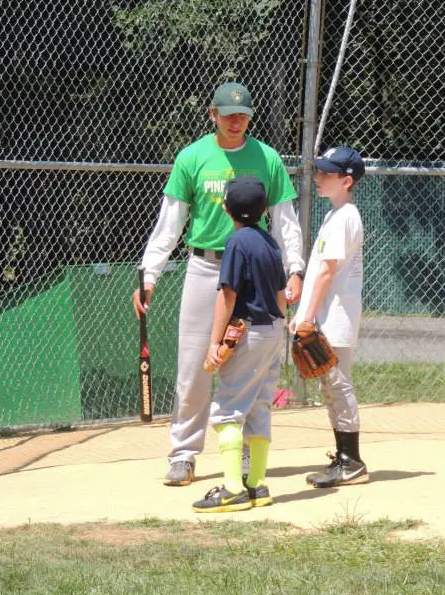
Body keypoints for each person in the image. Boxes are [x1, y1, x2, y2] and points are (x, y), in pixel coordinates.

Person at [132, 82, 305, 486]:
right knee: (194, 366)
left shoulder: (268, 158)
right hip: (206, 267)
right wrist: (150, 275)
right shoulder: (192, 157)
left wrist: (295, 267)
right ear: (212, 113)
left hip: (255, 271)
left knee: (255, 369)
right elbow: (169, 223)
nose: (236, 120)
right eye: (228, 113)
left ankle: (246, 459)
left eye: (242, 114)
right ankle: (184, 454)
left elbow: (285, 220)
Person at [192, 176, 287, 512]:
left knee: (229, 410)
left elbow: (228, 294)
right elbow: (281, 296)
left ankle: (232, 489)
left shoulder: (237, 243)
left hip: (246, 332)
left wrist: (214, 342)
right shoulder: (271, 243)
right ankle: (257, 485)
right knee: (260, 407)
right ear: (263, 211)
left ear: (227, 208)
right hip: (274, 329)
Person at [291, 145, 369, 488]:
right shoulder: (333, 215)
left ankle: (352, 461)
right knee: (329, 387)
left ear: (347, 180)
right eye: (319, 171)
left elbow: (326, 273)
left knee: (338, 385)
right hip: (325, 316)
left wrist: (306, 318)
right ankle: (343, 458)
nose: (319, 177)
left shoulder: (347, 217)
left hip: (334, 318)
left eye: (327, 173)